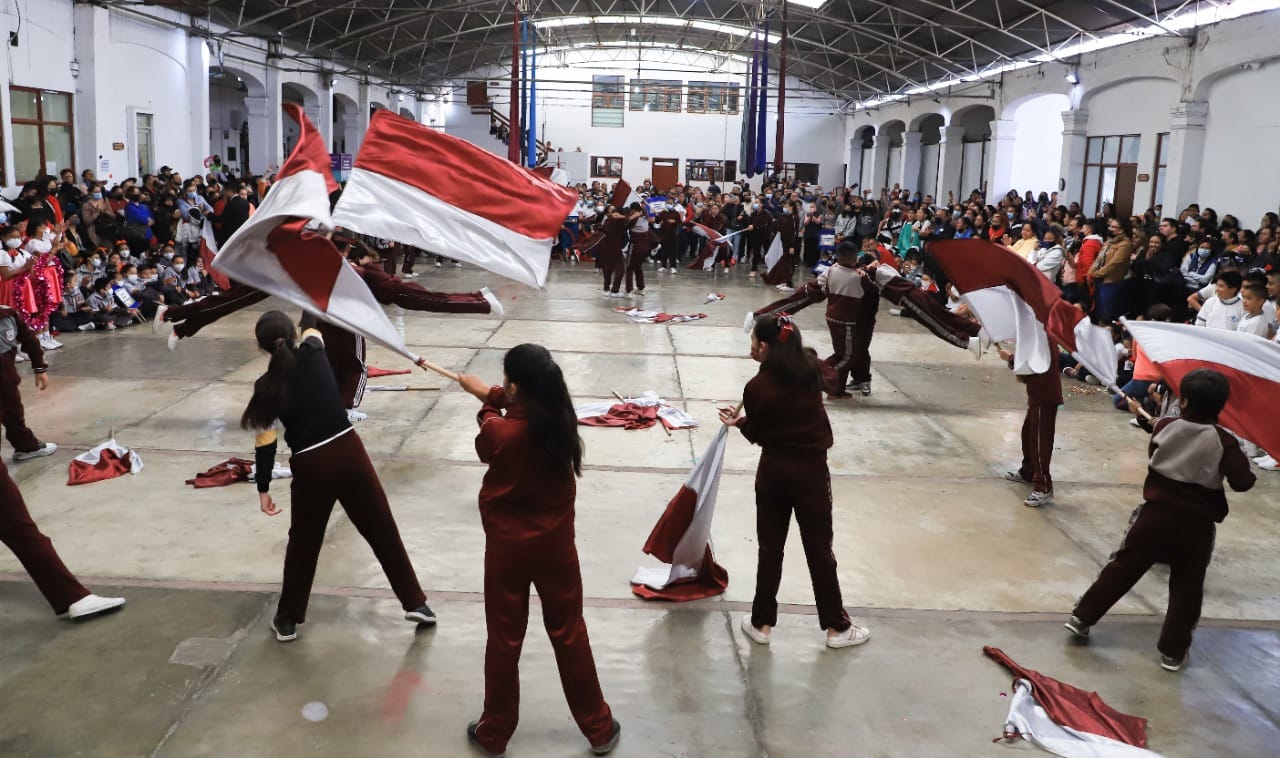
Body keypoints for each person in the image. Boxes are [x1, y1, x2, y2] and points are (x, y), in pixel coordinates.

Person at [455, 345, 621, 757]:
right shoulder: (560, 421)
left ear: (514, 385)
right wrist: (494, 393)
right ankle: (598, 729)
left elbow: (490, 435)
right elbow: (516, 411)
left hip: (508, 551)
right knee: (569, 632)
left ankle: (494, 733)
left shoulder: (498, 430)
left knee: (504, 638)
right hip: (556, 548)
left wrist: (486, 402)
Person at [241, 310, 435, 642]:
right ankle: (416, 603)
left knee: (304, 543)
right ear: (293, 335)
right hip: (349, 452)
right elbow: (313, 324)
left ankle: (287, 620)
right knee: (382, 529)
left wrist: (263, 489)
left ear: (261, 347)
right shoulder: (315, 352)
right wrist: (308, 293)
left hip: (310, 464)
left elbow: (265, 444)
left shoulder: (265, 387)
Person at [1066, 369, 1255, 671]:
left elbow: (1156, 427)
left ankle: (1082, 617)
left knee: (1125, 566)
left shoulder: (1166, 424)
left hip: (1155, 516)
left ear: (1184, 400)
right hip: (1197, 525)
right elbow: (1243, 482)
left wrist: (1142, 415)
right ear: (1222, 405)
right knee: (1187, 586)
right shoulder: (1225, 441)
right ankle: (1173, 651)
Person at [719, 315, 870, 650]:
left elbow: (757, 433)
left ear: (768, 347)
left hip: (773, 472)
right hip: (811, 474)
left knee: (770, 548)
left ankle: (761, 623)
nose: (751, 352)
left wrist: (739, 421)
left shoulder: (756, 388)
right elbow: (833, 379)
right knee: (820, 550)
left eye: (755, 344)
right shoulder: (811, 370)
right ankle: (836, 628)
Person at [999, 343, 1062, 507]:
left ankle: (1044, 486)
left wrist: (1011, 359)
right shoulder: (1036, 335)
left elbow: (1032, 366)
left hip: (1044, 397)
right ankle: (1028, 471)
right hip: (1037, 395)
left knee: (1040, 443)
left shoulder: (1042, 337)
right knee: (1028, 434)